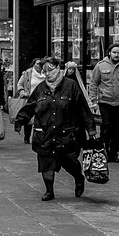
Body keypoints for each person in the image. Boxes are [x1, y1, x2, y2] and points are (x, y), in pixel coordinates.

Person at [14, 56, 96, 201]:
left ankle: (78, 178)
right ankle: (49, 191)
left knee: (70, 162)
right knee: (46, 164)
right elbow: (30, 106)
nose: (47, 74)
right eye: (44, 71)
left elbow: (83, 109)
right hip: (45, 134)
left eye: (50, 70)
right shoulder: (40, 88)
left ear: (58, 69)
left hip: (67, 134)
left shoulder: (71, 86)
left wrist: (91, 130)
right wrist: (20, 120)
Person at [87, 42, 119, 163]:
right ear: (109, 52)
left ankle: (114, 153)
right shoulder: (100, 66)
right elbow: (93, 84)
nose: (116, 55)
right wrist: (93, 101)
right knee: (106, 126)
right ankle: (103, 151)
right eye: (114, 52)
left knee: (118, 130)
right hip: (105, 102)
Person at [15, 58, 46, 143]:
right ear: (33, 64)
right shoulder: (27, 73)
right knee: (28, 117)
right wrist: (22, 91)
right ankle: (27, 136)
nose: (39, 66)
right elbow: (20, 84)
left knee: (40, 117)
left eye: (40, 64)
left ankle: (39, 135)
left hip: (42, 99)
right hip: (29, 98)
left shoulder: (46, 73)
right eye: (37, 64)